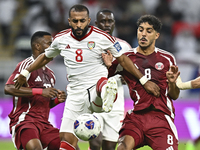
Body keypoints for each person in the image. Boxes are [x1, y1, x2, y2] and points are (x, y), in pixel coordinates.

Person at [13, 5, 160, 150]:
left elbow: (123, 60)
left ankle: (106, 92)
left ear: (88, 20)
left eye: (82, 21)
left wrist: (143, 80)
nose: (78, 24)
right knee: (65, 140)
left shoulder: (102, 37)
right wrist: (25, 73)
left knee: (101, 87)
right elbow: (45, 57)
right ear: (69, 21)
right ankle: (105, 93)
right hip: (75, 95)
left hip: (95, 87)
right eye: (75, 21)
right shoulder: (61, 39)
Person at [104, 14, 180, 150]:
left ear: (157, 35)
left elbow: (174, 95)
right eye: (140, 30)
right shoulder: (126, 58)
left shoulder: (167, 58)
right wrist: (107, 67)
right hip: (136, 118)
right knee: (122, 148)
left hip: (161, 118)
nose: (143, 34)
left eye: (148, 31)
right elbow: (104, 77)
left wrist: (173, 83)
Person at [4, 31, 67, 150]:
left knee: (67, 145)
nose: (53, 47)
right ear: (38, 46)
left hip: (44, 124)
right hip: (25, 120)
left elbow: (43, 104)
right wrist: (40, 91)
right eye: (49, 43)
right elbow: (8, 88)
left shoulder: (51, 74)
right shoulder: (26, 65)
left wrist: (57, 101)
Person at [89, 9, 132, 150]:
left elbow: (130, 75)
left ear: (114, 24)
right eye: (103, 21)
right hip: (94, 101)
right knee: (95, 143)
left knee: (109, 147)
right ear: (96, 24)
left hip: (115, 104)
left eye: (110, 21)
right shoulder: (89, 45)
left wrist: (124, 75)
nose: (106, 24)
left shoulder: (124, 47)